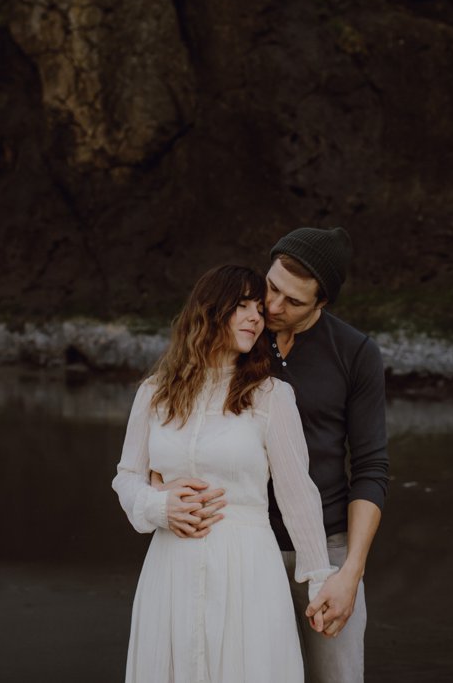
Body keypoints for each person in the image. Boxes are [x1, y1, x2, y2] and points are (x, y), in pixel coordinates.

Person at [156, 227, 389, 683]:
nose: (274, 308)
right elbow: (176, 422)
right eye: (272, 287)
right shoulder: (235, 335)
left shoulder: (355, 353)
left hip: (327, 550)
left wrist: (350, 573)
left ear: (321, 304)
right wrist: (160, 493)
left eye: (294, 302)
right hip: (240, 550)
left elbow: (371, 469)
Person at [112, 264, 337, 682]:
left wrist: (320, 577)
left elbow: (297, 494)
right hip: (170, 568)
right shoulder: (155, 392)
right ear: (210, 311)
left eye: (258, 307)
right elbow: (127, 475)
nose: (257, 316)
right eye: (242, 306)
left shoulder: (271, 396)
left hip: (247, 569)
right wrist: (158, 506)